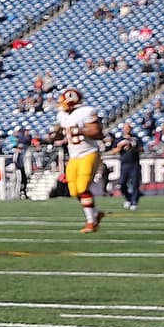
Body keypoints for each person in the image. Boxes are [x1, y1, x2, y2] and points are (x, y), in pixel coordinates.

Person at [53, 86, 104, 233]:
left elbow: (97, 132)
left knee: (82, 188)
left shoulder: (86, 112)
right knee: (74, 191)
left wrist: (79, 130)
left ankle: (91, 222)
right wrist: (57, 135)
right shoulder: (62, 116)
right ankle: (95, 213)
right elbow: (63, 133)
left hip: (88, 152)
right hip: (73, 155)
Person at [110, 122, 143, 210]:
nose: (127, 130)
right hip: (124, 165)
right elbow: (113, 151)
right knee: (122, 184)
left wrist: (133, 147)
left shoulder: (135, 138)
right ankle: (128, 198)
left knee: (135, 184)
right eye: (125, 128)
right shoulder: (119, 139)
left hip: (134, 164)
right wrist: (120, 147)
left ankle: (134, 201)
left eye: (128, 128)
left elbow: (141, 149)